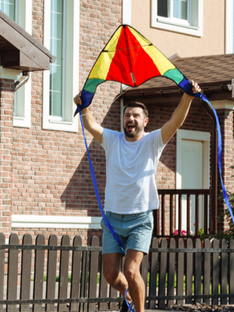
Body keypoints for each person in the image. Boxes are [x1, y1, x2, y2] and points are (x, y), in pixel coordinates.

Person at [76, 80, 202, 312]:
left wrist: (187, 97)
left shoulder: (152, 142)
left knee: (131, 271)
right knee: (112, 275)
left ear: (145, 121)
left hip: (140, 219)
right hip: (113, 218)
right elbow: (91, 124)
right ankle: (130, 296)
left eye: (135, 115)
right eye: (126, 115)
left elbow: (175, 121)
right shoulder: (112, 140)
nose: (130, 119)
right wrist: (83, 106)